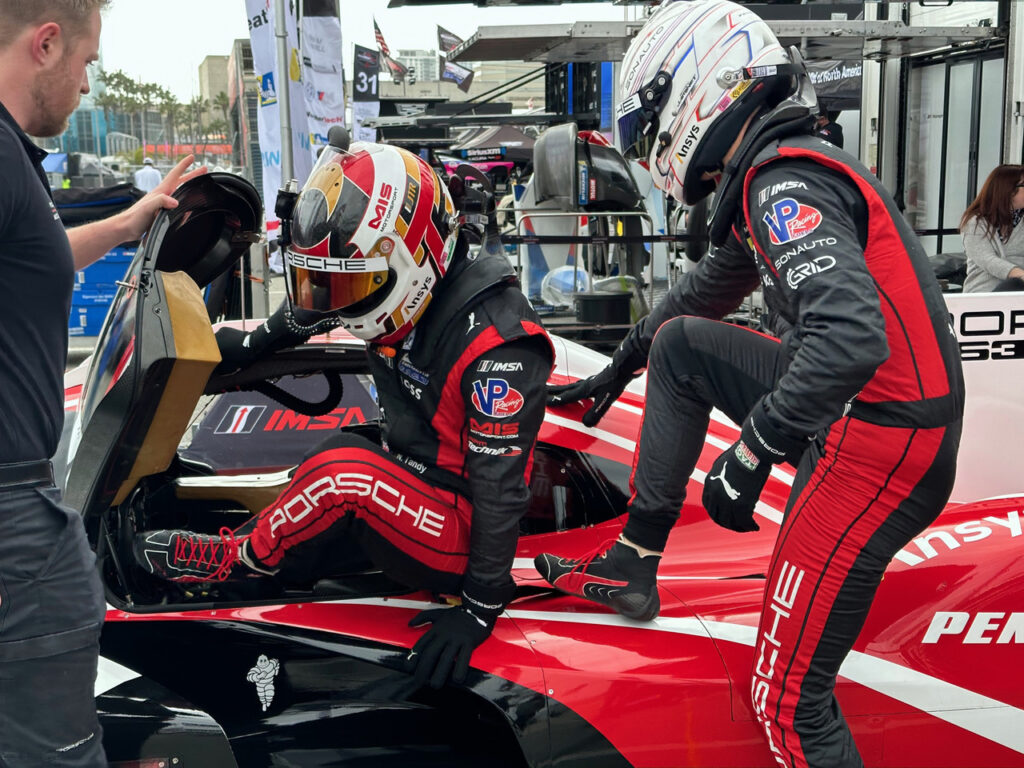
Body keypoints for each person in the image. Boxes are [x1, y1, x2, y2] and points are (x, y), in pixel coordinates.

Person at [535, 3, 963, 768]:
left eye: (650, 125)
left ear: (696, 92)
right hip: (871, 415)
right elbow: (695, 298)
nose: (652, 148)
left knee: (787, 699)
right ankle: (634, 560)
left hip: (879, 437)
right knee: (677, 346)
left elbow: (851, 338)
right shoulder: (778, 169)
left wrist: (756, 446)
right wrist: (618, 363)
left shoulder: (782, 183)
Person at [131, 141, 555, 691]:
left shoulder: (499, 346)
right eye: (332, 281)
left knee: (345, 470)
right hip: (421, 483)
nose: (338, 297)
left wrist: (479, 606)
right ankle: (266, 577)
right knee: (338, 450)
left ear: (414, 258)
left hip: (468, 529)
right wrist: (249, 345)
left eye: (352, 284)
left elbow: (501, 493)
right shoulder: (401, 287)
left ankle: (235, 560)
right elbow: (315, 306)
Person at [0, 1, 204, 765]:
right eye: (87, 63)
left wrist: (126, 226)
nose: (87, 83)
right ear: (46, 44)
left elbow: (36, 255)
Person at [961, 164, 1024, 292]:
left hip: (1019, 295)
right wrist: (1020, 275)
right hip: (984, 295)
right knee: (1014, 285)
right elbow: (988, 260)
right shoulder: (975, 222)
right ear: (1009, 190)